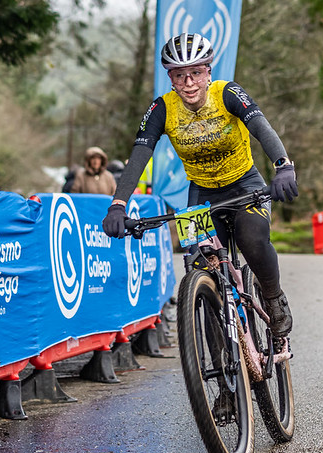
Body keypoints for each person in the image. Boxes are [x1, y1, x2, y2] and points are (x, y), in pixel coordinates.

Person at [102, 32, 298, 338]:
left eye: (195, 73)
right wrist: (118, 204)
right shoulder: (162, 109)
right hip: (201, 192)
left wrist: (283, 166)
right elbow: (140, 155)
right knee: (199, 265)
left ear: (208, 73)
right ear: (170, 78)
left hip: (245, 185)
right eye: (180, 76)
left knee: (252, 239)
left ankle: (273, 298)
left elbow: (261, 128)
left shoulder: (228, 93)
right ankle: (220, 357)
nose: (189, 82)